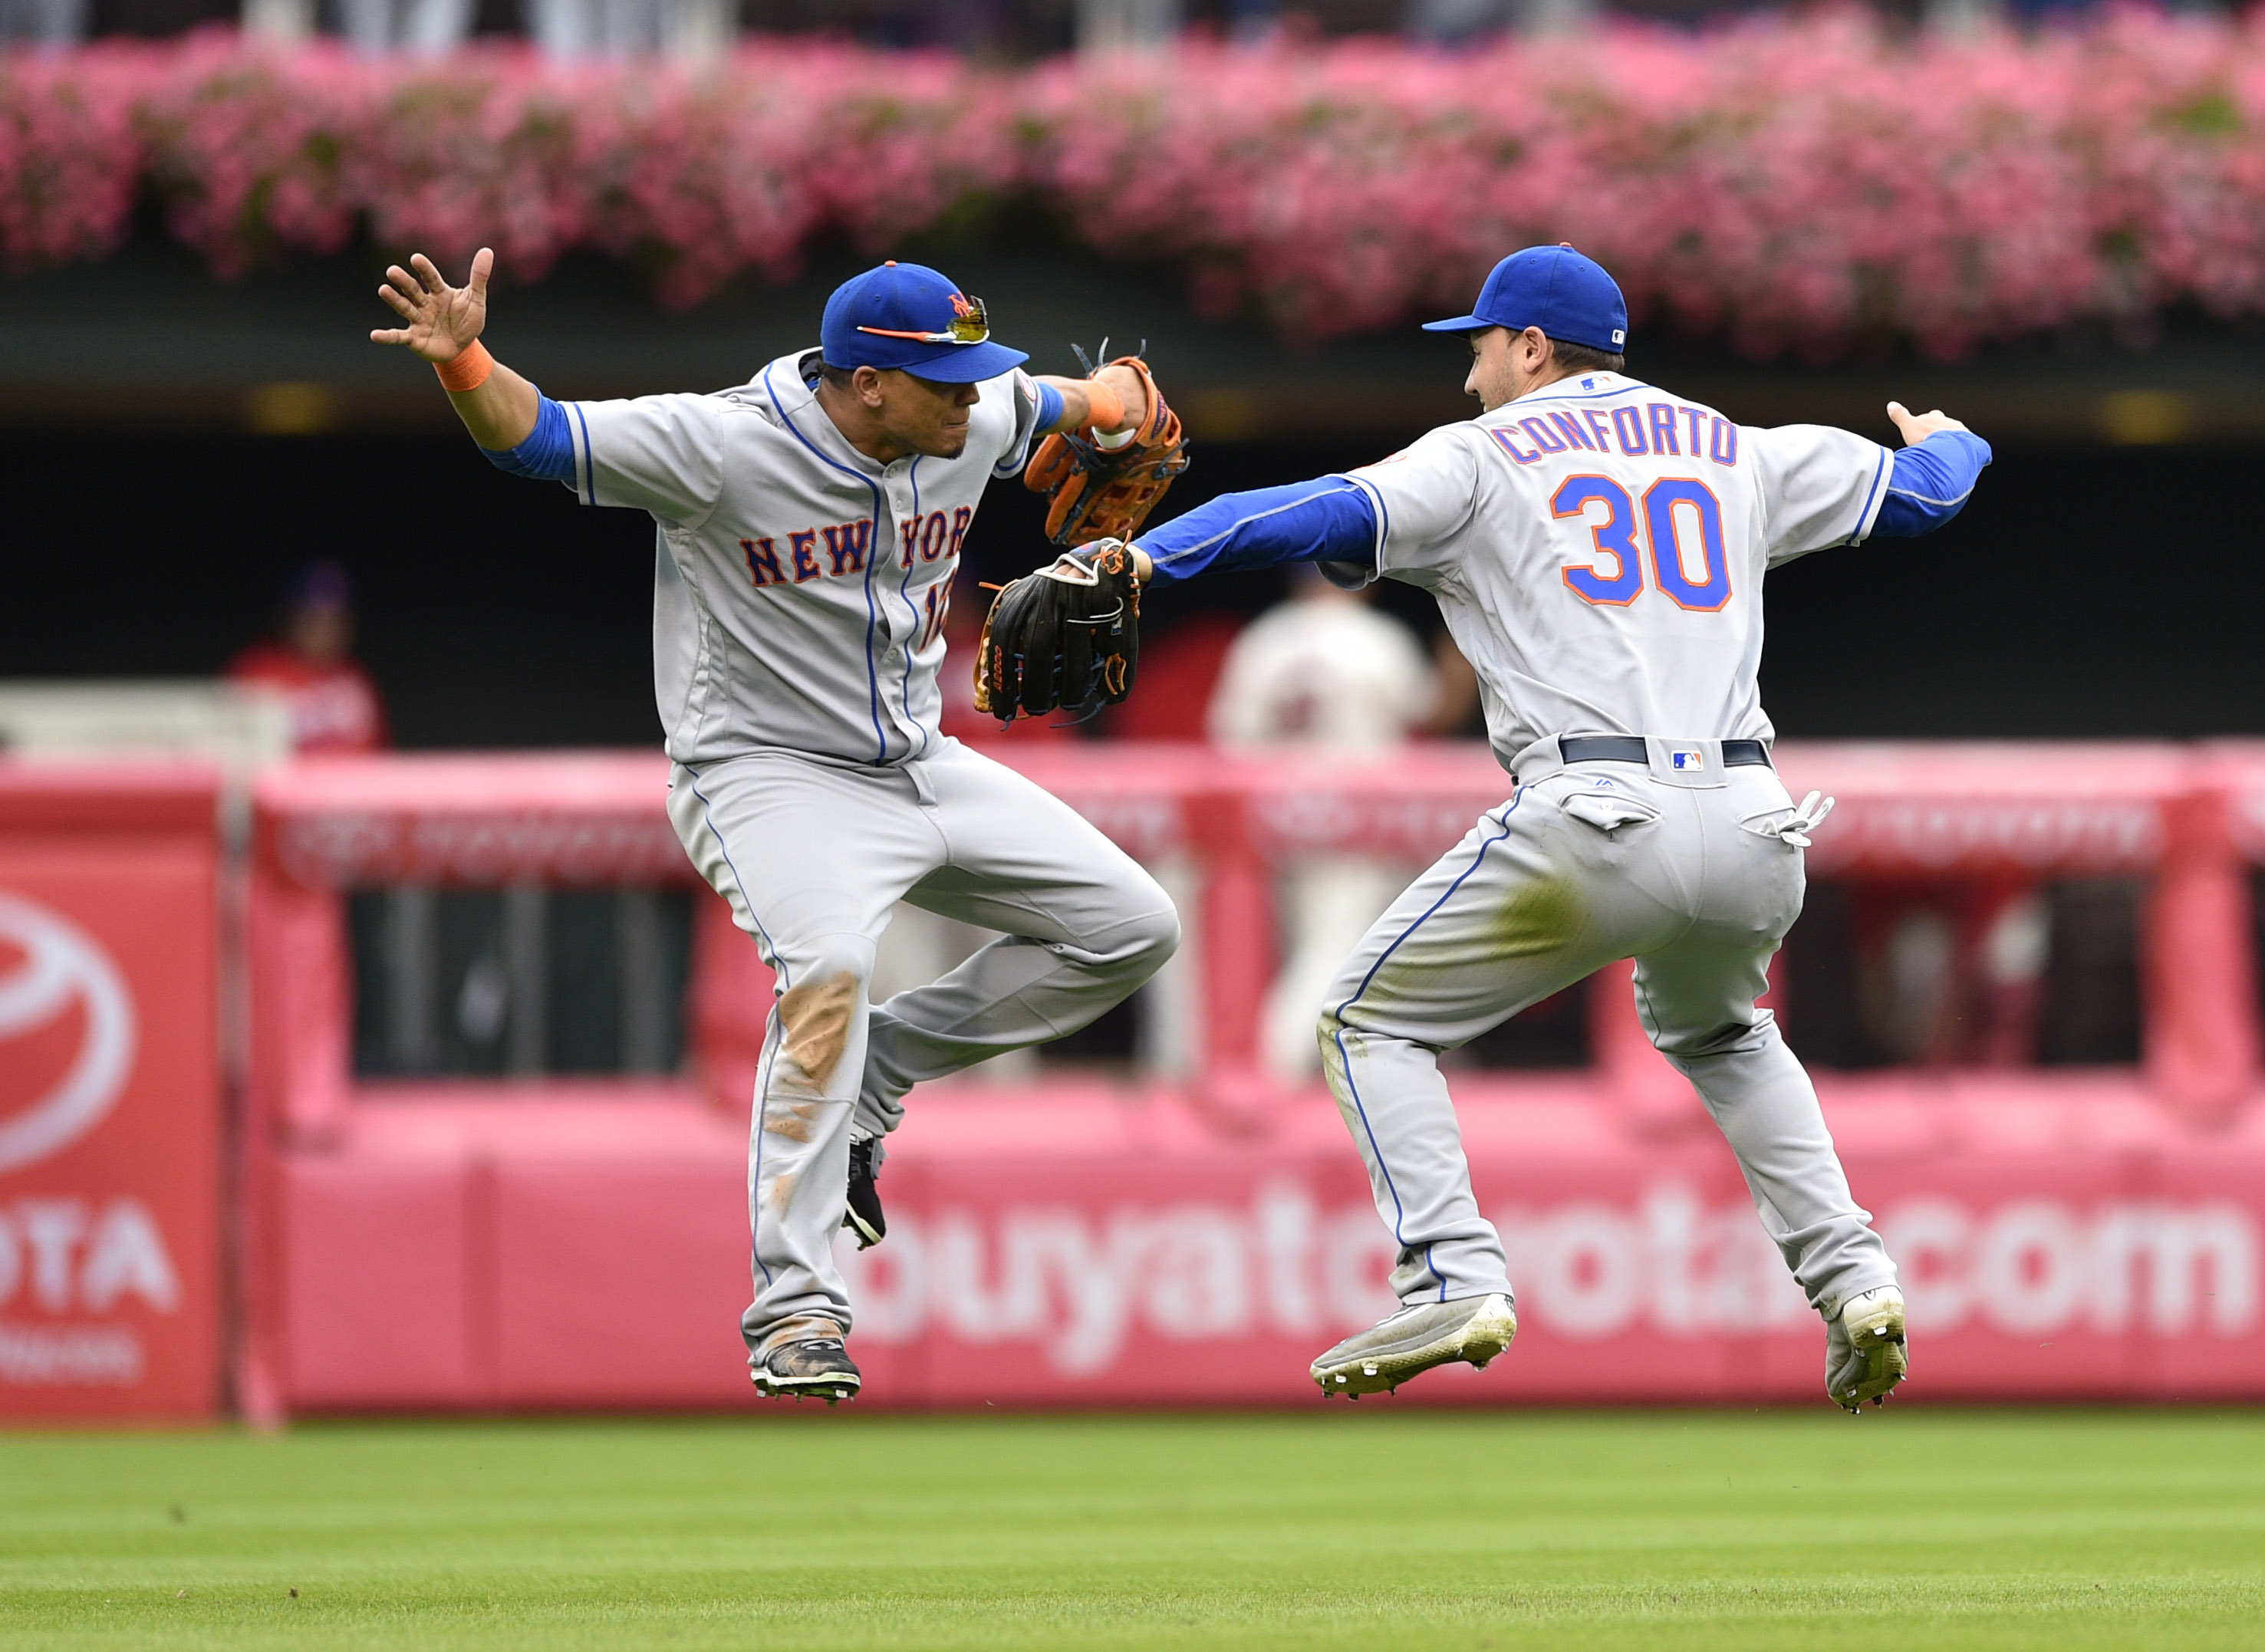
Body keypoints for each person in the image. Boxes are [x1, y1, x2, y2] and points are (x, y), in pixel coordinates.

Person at [1122, 244, 1991, 1409]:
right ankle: (1855, 1275)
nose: (1469, 376)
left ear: (1531, 346)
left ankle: (1452, 1270)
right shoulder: (1735, 446)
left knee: (1363, 1018)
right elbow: (1932, 490)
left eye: (1478, 348)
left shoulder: (1483, 454)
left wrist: (1134, 557)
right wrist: (1948, 432)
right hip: (1753, 822)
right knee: (1725, 1031)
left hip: (1595, 814)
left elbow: (1302, 515)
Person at [370, 248, 1181, 1404]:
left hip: (919, 761)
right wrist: (463, 358)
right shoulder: (722, 445)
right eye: (943, 380)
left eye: (972, 375)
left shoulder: (969, 411)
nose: (971, 396)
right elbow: (538, 438)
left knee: (1133, 924)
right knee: (831, 972)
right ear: (862, 385)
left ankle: (878, 1079)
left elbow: (1066, 400)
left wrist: (1116, 404)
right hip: (765, 775)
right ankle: (797, 1302)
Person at [1208, 569, 1443, 1081]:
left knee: (1303, 950)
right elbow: (1427, 709)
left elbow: (1229, 740)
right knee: (1331, 954)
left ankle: (1287, 1075)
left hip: (1276, 818)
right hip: (1354, 819)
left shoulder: (1264, 639)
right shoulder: (1378, 638)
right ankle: (1267, 1071)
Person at [226, 562, 391, 754]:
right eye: (313, 617)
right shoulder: (255, 671)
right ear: (290, 616)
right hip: (286, 783)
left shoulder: (357, 678)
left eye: (335, 619)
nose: (325, 628)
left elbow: (381, 757)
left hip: (351, 782)